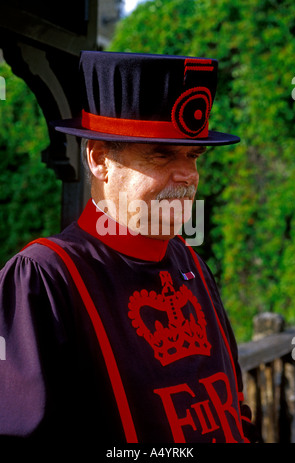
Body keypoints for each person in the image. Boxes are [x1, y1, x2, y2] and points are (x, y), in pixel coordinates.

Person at [0, 51, 257, 445]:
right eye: (162, 154)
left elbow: (233, 407)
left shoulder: (192, 264)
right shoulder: (43, 278)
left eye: (193, 155)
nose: (188, 174)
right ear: (100, 159)